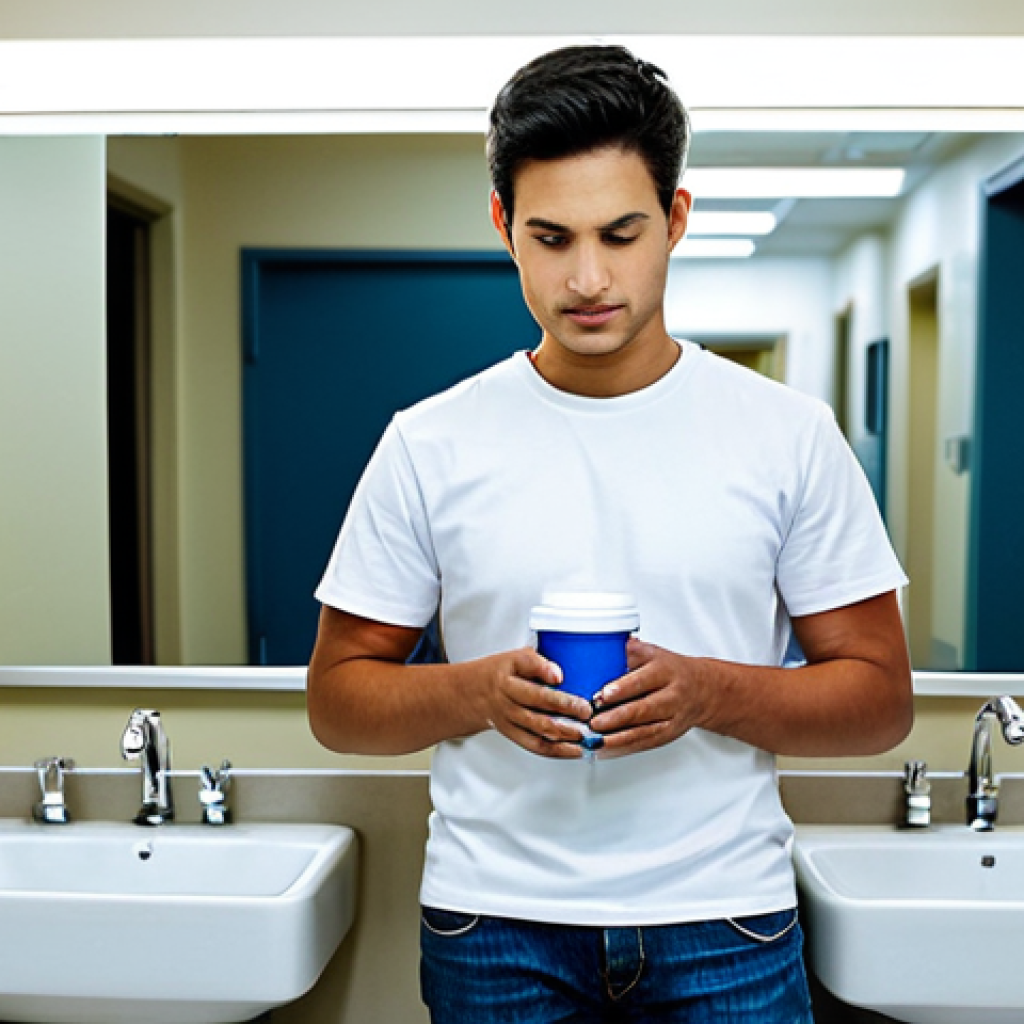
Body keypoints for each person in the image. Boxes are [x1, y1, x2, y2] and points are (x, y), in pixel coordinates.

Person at [307, 43, 913, 1023]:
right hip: (494, 922)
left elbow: (878, 701)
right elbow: (338, 702)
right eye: (550, 238)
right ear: (504, 225)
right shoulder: (429, 442)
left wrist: (707, 690)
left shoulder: (785, 434)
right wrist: (476, 690)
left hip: (723, 918)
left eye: (620, 234)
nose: (587, 278)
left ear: (674, 220)